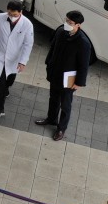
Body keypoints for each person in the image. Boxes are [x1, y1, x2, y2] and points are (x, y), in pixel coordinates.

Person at [35, 10, 92, 141]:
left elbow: (83, 65)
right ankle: (51, 119)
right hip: (55, 73)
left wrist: (79, 82)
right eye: (66, 20)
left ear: (78, 25)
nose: (66, 24)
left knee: (65, 104)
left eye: (70, 22)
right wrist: (48, 63)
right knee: (53, 98)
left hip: (69, 79)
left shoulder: (83, 43)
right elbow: (52, 48)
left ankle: (61, 128)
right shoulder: (60, 31)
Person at [0, 0, 34, 118]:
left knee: (10, 79)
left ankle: (7, 88)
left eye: (14, 15)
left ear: (21, 12)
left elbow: (28, 44)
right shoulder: (1, 17)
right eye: (9, 14)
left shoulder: (27, 24)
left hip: (14, 58)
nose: (11, 16)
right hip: (0, 55)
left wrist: (23, 61)